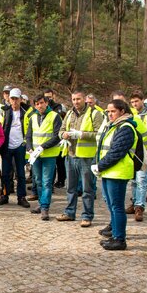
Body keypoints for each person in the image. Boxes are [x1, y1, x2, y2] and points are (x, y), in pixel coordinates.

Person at [93, 99, 139, 250]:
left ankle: (120, 239)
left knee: (117, 207)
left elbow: (116, 152)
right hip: (109, 172)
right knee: (112, 206)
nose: (110, 114)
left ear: (122, 111)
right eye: (108, 111)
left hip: (118, 172)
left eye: (113, 111)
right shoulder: (113, 126)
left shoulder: (125, 127)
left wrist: (99, 165)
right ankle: (115, 235)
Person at [56, 90, 103, 227]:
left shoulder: (94, 114)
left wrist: (81, 134)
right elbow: (61, 130)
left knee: (87, 189)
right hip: (71, 155)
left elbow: (99, 134)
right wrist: (63, 134)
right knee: (70, 187)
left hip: (86, 157)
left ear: (84, 99)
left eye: (78, 99)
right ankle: (70, 212)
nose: (76, 102)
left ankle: (87, 216)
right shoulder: (69, 113)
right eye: (74, 99)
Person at [26, 94, 62, 221]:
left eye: (41, 103)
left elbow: (57, 136)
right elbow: (28, 136)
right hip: (35, 155)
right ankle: (41, 204)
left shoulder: (55, 116)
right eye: (37, 104)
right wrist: (29, 148)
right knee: (38, 181)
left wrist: (43, 146)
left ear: (46, 103)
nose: (39, 106)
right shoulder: (33, 117)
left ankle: (45, 208)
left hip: (49, 155)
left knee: (47, 182)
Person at [127, 91, 147, 221]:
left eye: (137, 101)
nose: (135, 104)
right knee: (133, 180)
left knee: (141, 180)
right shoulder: (132, 115)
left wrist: (146, 152)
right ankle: (135, 202)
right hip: (133, 153)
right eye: (132, 102)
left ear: (142, 100)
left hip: (145, 154)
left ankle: (140, 206)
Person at [0, 88, 30, 208]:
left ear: (20, 99)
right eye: (12, 99)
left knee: (21, 173)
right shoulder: (3, 111)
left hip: (20, 146)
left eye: (16, 99)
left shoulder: (27, 112)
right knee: (5, 173)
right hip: (7, 146)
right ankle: (4, 195)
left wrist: (26, 144)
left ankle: (21, 197)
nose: (14, 101)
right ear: (9, 99)